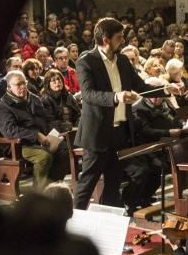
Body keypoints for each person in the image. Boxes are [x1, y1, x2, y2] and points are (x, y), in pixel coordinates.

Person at [72, 18, 180, 210]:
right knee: (87, 183)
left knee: (113, 184)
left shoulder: (122, 60)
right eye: (119, 37)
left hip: (119, 132)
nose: (123, 41)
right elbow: (88, 95)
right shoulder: (86, 61)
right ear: (106, 39)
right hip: (97, 133)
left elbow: (141, 86)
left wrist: (166, 89)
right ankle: (72, 225)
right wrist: (117, 97)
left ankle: (107, 225)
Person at [0, 70, 68, 189]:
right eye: (19, 84)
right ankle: (38, 193)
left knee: (64, 149)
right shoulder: (3, 106)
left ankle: (50, 187)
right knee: (44, 156)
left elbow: (48, 118)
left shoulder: (34, 98)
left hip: (43, 140)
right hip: (21, 144)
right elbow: (10, 130)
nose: (23, 86)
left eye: (24, 83)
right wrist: (36, 135)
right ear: (9, 87)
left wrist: (54, 134)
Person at [122, 78, 187, 212]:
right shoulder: (138, 108)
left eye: (160, 94)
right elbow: (145, 131)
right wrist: (168, 132)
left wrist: (183, 124)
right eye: (154, 94)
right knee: (152, 168)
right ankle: (132, 200)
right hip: (147, 148)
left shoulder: (166, 103)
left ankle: (148, 197)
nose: (158, 98)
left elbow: (177, 117)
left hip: (167, 144)